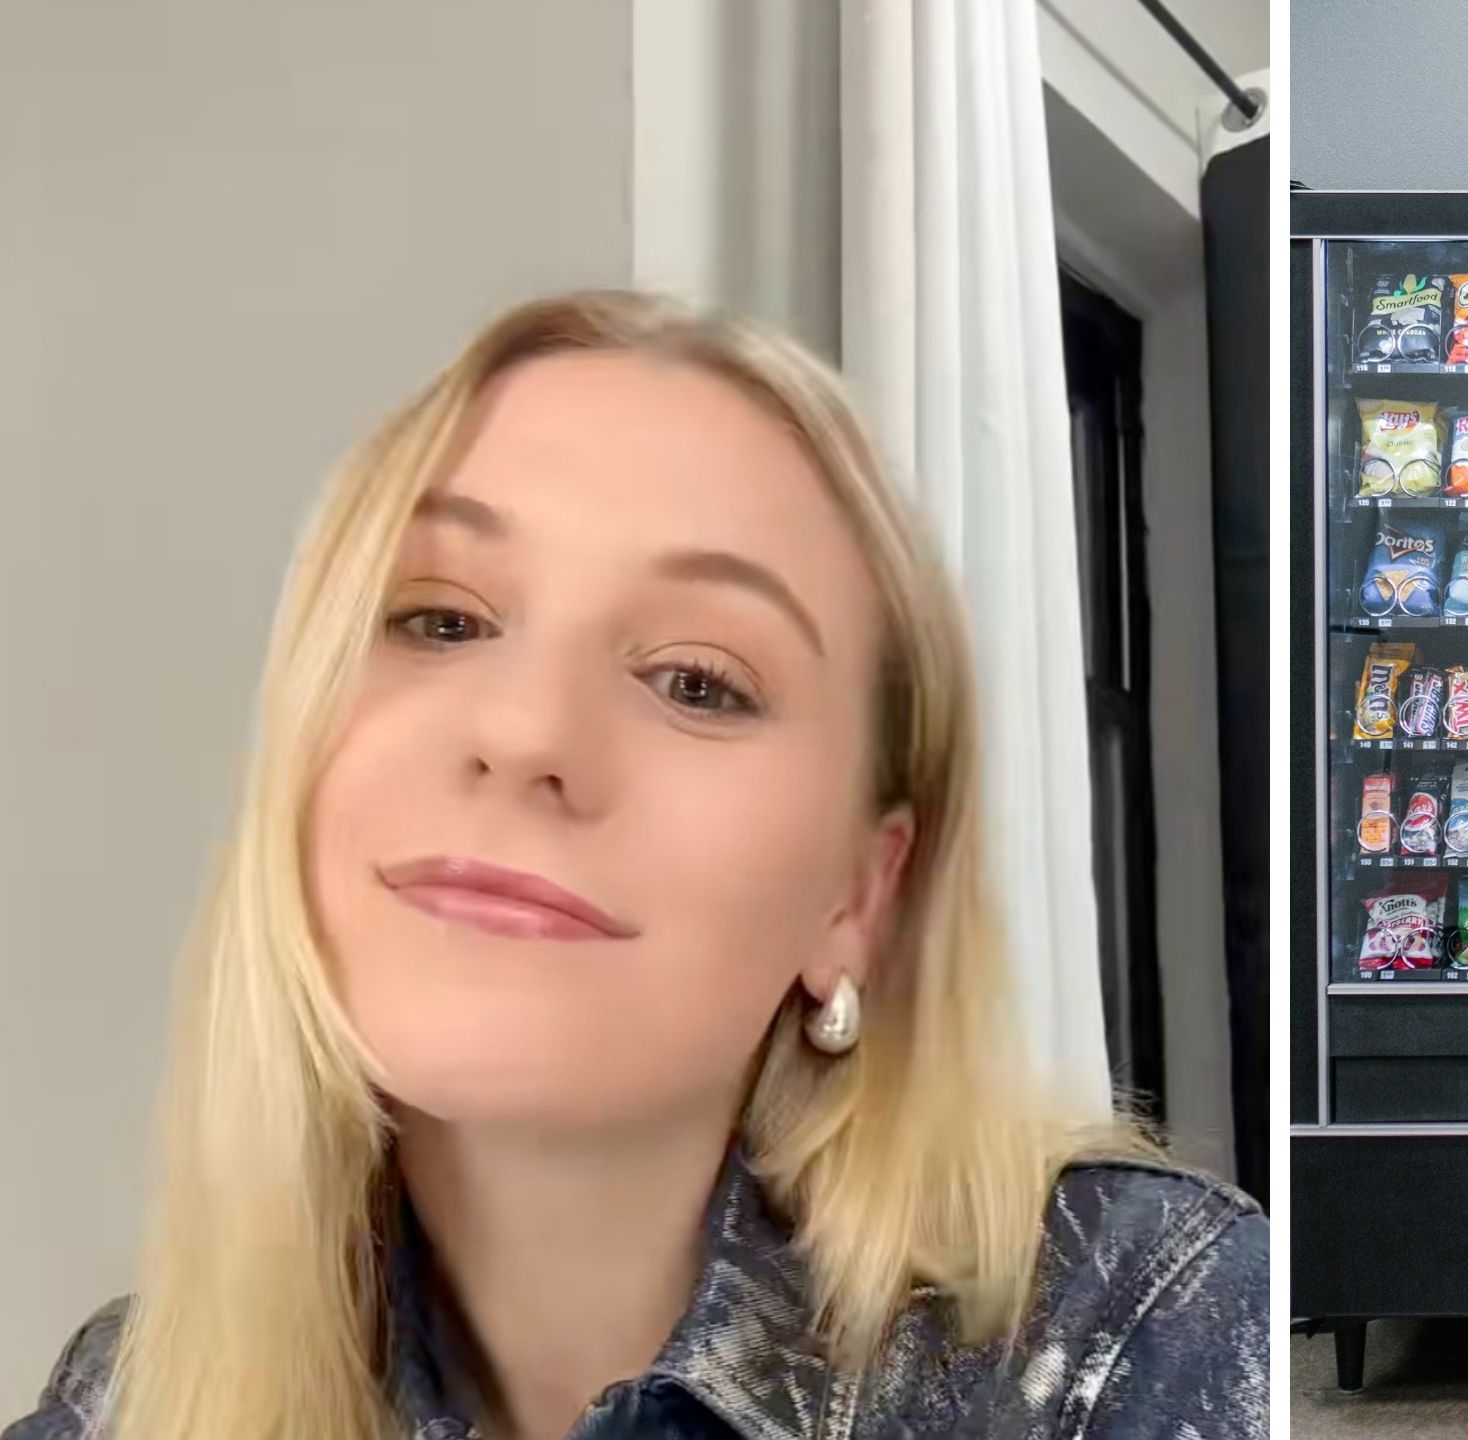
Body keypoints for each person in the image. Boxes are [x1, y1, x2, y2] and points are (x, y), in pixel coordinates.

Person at [2, 291, 1267, 1440]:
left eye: (696, 682)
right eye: (441, 619)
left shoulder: (1152, 1337)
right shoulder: (119, 1405)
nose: (524, 734)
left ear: (860, 894)